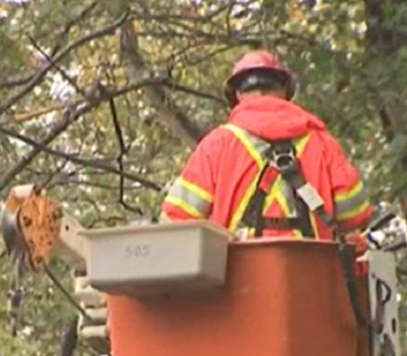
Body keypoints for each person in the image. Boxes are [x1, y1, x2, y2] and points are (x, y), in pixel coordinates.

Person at [159, 50, 373, 246]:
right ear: (283, 90)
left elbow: (175, 222)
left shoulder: (217, 146)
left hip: (237, 280)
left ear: (238, 95)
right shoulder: (323, 144)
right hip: (311, 277)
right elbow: (355, 214)